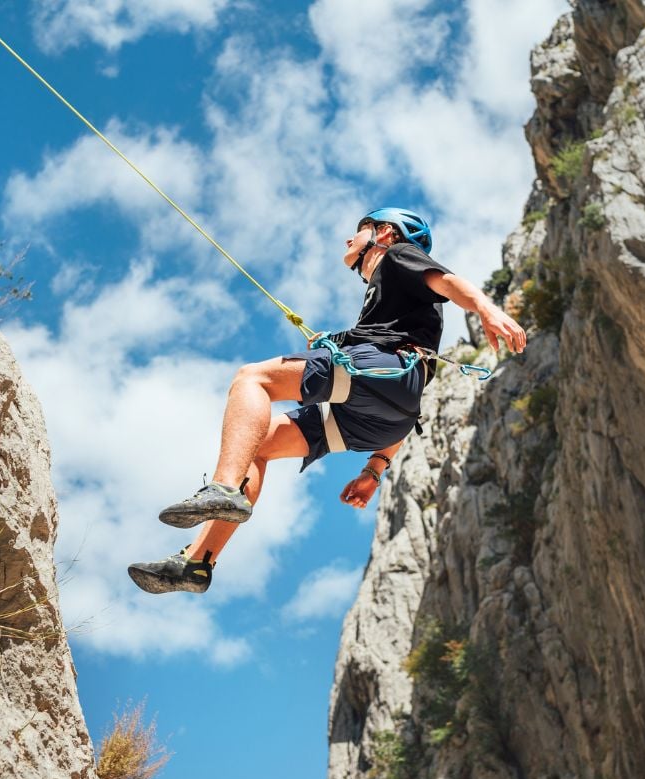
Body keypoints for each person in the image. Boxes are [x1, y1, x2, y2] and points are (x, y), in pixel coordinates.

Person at [128, 208, 527, 594]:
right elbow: (408, 397)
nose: (349, 237)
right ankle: (198, 562)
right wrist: (374, 470)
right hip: (389, 413)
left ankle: (224, 486)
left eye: (362, 227)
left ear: (385, 233)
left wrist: (486, 309)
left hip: (379, 374)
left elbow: (446, 281)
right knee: (257, 443)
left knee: (253, 379)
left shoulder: (399, 255)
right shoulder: (391, 308)